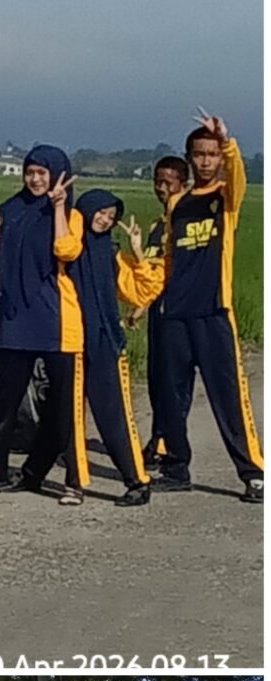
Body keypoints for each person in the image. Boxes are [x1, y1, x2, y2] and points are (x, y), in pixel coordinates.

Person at [0, 146, 84, 500]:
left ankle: (70, 480)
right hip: (14, 318)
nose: (35, 179)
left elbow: (67, 251)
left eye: (43, 172)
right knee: (4, 406)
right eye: (31, 172)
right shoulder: (9, 212)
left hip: (58, 321)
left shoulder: (71, 215)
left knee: (62, 410)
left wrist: (58, 207)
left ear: (58, 174)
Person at [153, 110, 263, 501]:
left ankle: (252, 472)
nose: (205, 161)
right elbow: (167, 259)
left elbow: (237, 177)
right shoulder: (177, 204)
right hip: (176, 314)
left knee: (228, 396)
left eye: (212, 155)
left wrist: (228, 142)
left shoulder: (226, 198)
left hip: (214, 312)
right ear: (189, 157)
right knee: (171, 394)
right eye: (199, 154)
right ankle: (175, 466)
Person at [63, 190, 162, 505]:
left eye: (111, 216)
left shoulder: (111, 254)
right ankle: (74, 483)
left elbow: (143, 292)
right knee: (70, 414)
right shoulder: (68, 252)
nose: (106, 220)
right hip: (72, 339)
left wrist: (138, 252)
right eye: (101, 212)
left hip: (105, 342)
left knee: (114, 416)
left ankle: (137, 480)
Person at [129, 156, 190, 467]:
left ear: (183, 183)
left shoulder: (185, 224)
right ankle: (159, 436)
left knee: (175, 382)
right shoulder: (156, 226)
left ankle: (169, 444)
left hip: (181, 312)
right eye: (158, 181)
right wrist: (140, 307)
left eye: (168, 182)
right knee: (157, 380)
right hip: (158, 312)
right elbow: (152, 274)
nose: (162, 188)